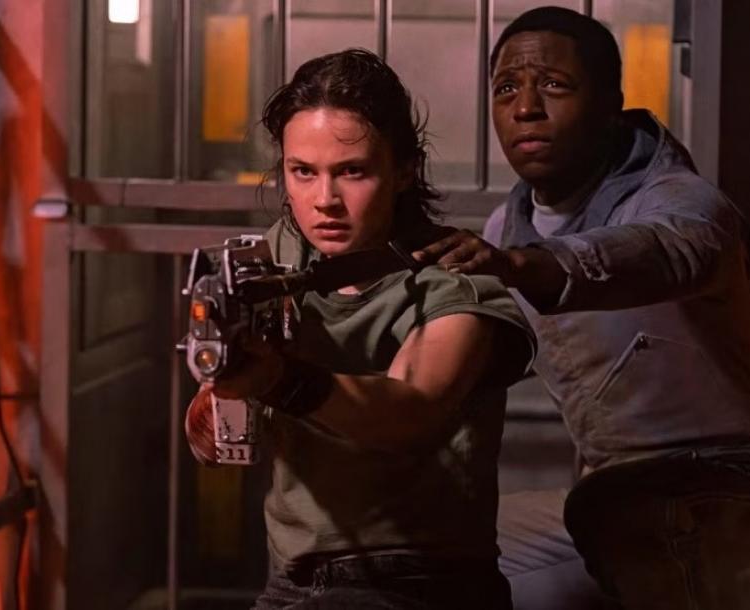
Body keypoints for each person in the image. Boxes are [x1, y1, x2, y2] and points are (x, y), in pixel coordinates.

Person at [415, 7, 750, 610]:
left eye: (553, 84)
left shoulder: (681, 200)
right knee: (418, 548)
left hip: (737, 492)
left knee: (634, 525)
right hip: (615, 501)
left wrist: (527, 266)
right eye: (506, 89)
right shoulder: (507, 225)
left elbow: (666, 250)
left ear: (611, 104)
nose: (526, 108)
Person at [184, 49, 536, 609]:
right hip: (291, 578)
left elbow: (408, 411)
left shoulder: (454, 281)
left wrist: (277, 380)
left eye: (352, 172)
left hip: (421, 581)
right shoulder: (278, 257)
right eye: (303, 172)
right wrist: (219, 397)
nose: (324, 200)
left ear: (404, 171)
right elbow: (216, 429)